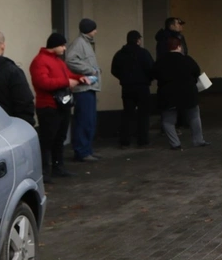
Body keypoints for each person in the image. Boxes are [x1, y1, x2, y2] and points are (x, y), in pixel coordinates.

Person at [30, 33, 84, 177]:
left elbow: (68, 76)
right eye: (62, 45)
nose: (64, 48)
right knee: (48, 140)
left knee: (59, 138)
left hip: (62, 105)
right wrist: (67, 82)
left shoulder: (58, 61)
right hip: (48, 107)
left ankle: (58, 167)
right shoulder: (40, 61)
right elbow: (43, 82)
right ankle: (44, 171)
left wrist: (80, 78)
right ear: (54, 45)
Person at [154, 35, 208, 150]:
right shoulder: (187, 60)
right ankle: (198, 140)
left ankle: (175, 144)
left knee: (168, 121)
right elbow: (197, 72)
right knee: (194, 116)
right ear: (179, 47)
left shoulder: (161, 61)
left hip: (168, 95)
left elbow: (154, 74)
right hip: (188, 94)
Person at [65, 18, 102, 162]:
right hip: (83, 89)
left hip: (89, 87)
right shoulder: (79, 43)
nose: (96, 31)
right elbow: (70, 60)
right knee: (84, 120)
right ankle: (82, 151)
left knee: (89, 121)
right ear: (89, 30)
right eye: (94, 29)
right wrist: (90, 70)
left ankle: (86, 150)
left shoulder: (85, 43)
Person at [111, 30, 155, 147]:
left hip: (127, 87)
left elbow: (114, 70)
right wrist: (148, 79)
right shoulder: (144, 53)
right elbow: (151, 69)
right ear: (138, 40)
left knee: (128, 114)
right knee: (143, 114)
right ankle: (142, 140)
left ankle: (125, 141)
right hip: (142, 87)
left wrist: (123, 78)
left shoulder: (120, 54)